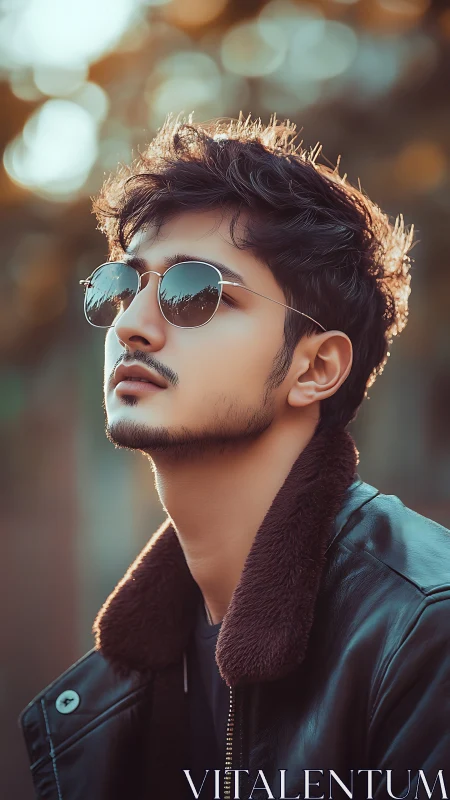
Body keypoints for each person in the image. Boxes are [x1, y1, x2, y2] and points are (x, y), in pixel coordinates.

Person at [20, 114, 450, 800]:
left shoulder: (426, 632)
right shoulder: (116, 686)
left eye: (195, 291)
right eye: (120, 286)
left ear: (315, 367)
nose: (132, 323)